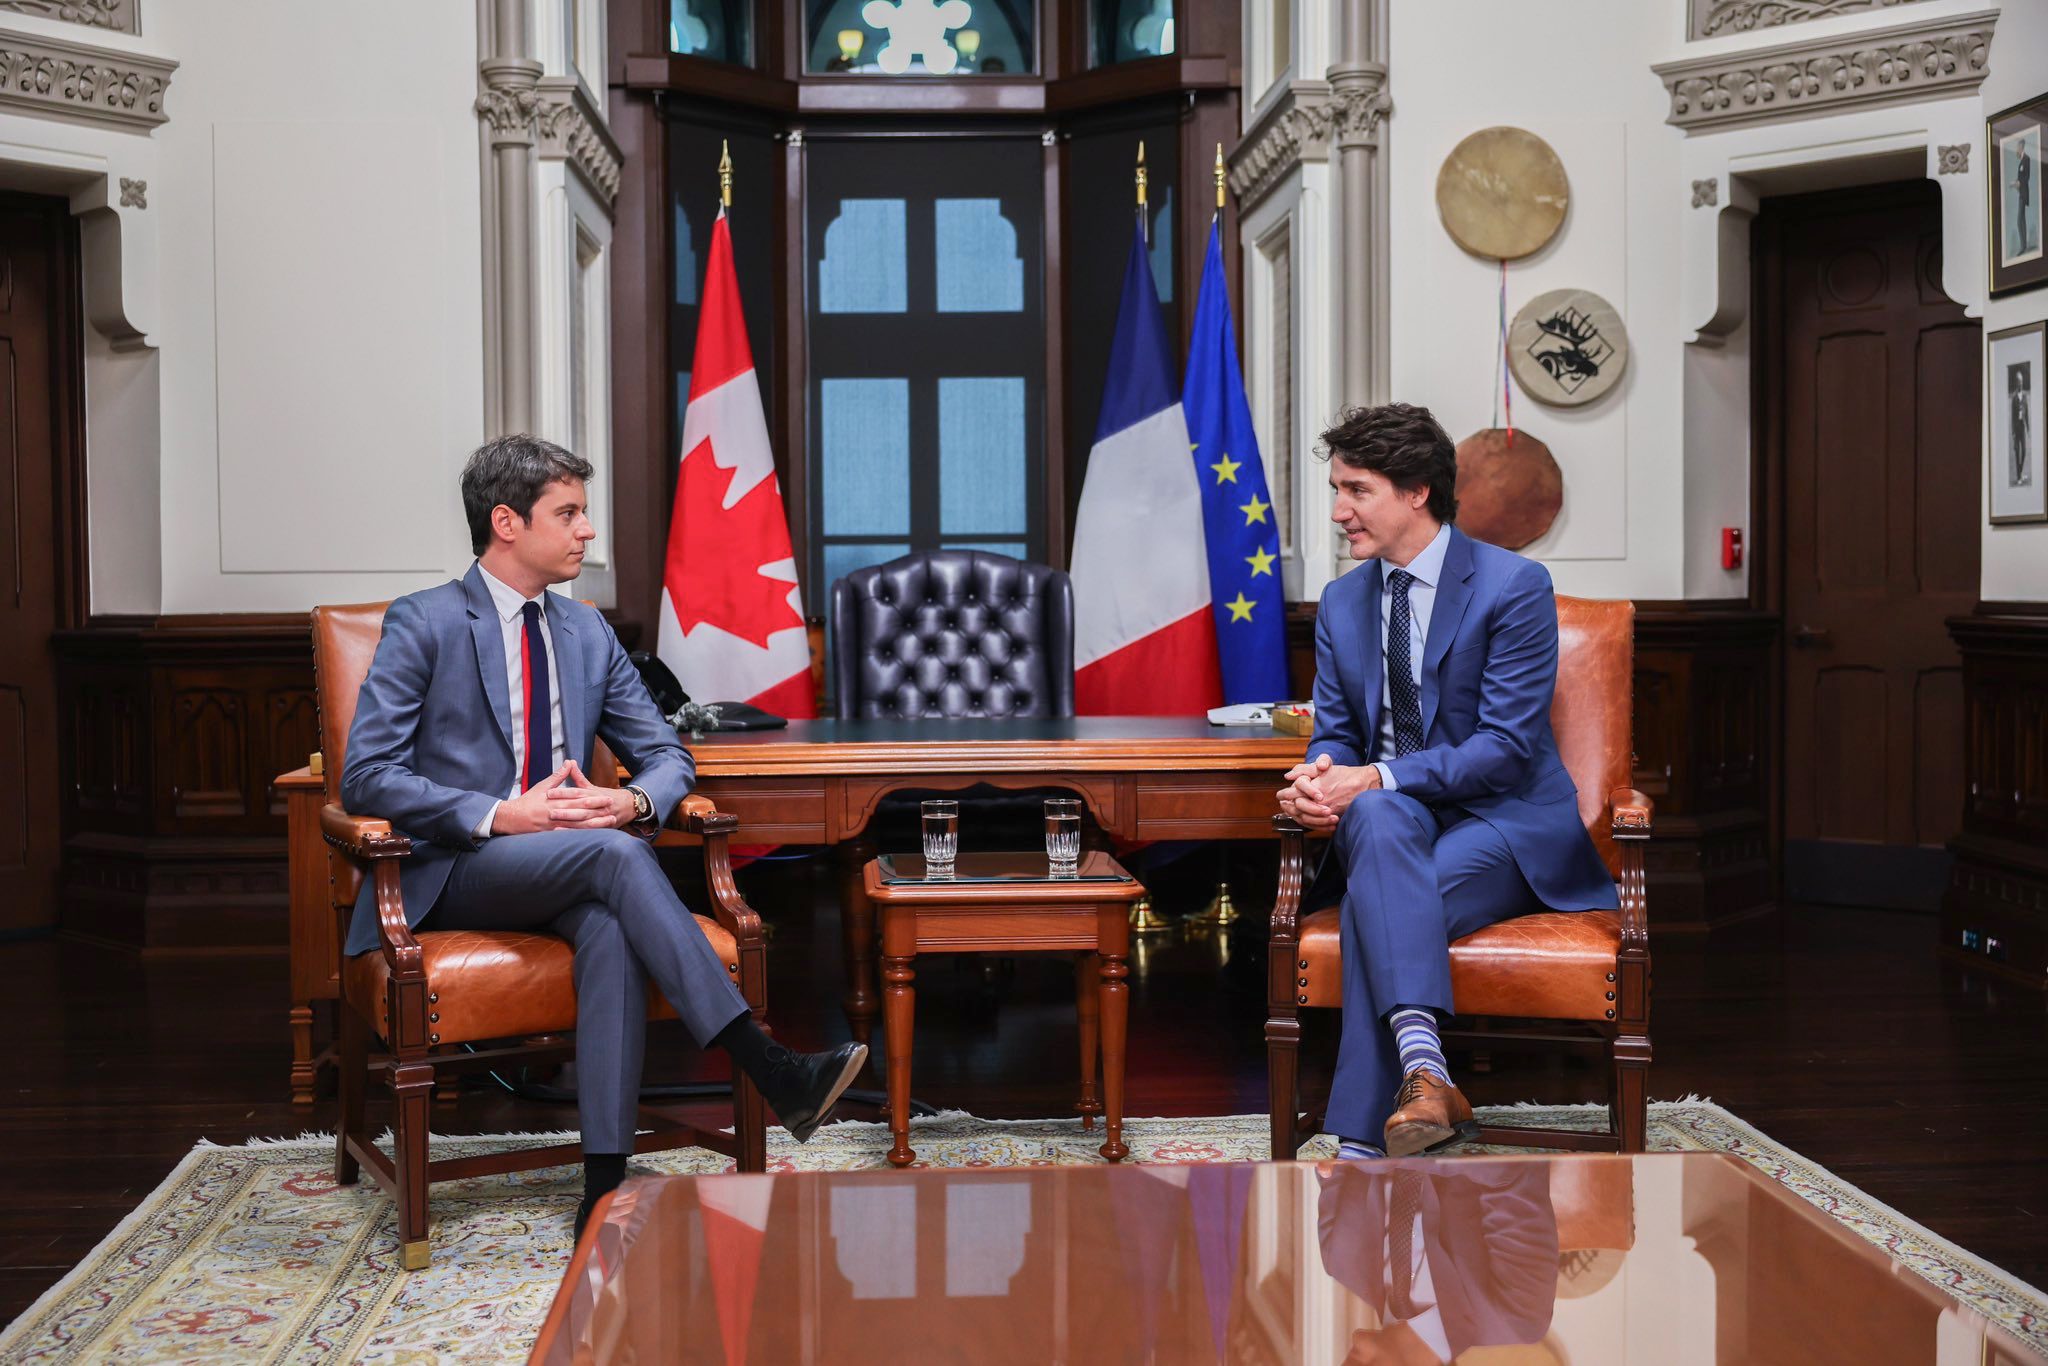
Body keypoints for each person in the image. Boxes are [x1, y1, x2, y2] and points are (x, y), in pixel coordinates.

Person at [340, 434, 864, 1236]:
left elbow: (665, 754)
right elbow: (367, 776)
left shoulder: (586, 632)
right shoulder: (427, 621)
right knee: (613, 862)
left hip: (577, 864)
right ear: (507, 523)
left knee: (611, 915)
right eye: (570, 513)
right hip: (457, 868)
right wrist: (501, 813)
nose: (588, 531)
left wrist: (634, 805)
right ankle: (768, 1066)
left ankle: (603, 1185)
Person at [1277, 404, 1615, 1161]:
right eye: (1337, 489)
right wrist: (1319, 780)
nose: (1338, 512)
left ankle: (1362, 1147)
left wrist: (1376, 776)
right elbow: (1336, 730)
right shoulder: (1342, 601)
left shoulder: (1513, 585)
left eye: (1357, 490)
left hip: (1505, 824)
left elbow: (1503, 747)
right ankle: (1427, 1074)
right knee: (1376, 820)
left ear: (1418, 491)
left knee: (1378, 900)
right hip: (1391, 824)